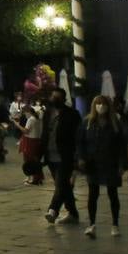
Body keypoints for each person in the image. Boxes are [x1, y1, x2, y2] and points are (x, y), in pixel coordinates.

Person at [78, 95, 125, 238]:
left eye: (103, 104)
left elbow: (121, 145)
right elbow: (80, 142)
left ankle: (115, 224)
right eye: (98, 103)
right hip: (93, 162)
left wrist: (122, 164)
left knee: (113, 194)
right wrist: (81, 158)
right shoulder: (87, 122)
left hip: (111, 162)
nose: (101, 106)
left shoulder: (115, 123)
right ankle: (91, 224)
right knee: (93, 194)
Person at [43, 88, 81, 225]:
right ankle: (73, 213)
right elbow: (45, 134)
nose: (55, 100)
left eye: (57, 97)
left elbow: (78, 136)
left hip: (66, 156)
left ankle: (53, 210)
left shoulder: (72, 114)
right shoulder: (48, 113)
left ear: (63, 99)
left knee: (60, 184)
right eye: (53, 97)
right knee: (64, 186)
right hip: (51, 155)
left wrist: (78, 156)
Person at [18, 103, 44, 185]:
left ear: (28, 111)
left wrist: (16, 124)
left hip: (30, 141)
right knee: (35, 160)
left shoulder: (31, 119)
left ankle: (33, 178)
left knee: (29, 160)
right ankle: (37, 177)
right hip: (36, 140)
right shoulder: (38, 119)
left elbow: (26, 131)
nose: (24, 114)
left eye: (24, 112)